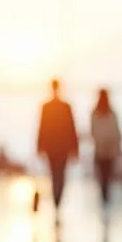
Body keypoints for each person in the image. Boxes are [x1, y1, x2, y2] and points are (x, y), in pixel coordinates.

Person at [37, 78, 79, 219]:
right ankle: (57, 202)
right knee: (59, 175)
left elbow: (42, 128)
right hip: (61, 147)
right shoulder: (64, 106)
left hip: (53, 147)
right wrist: (74, 147)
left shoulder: (48, 107)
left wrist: (40, 146)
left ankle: (57, 202)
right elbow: (71, 128)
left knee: (56, 175)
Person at [90, 89, 122, 208]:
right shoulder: (111, 114)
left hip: (102, 151)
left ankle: (105, 199)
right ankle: (106, 199)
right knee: (106, 176)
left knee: (103, 177)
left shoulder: (95, 114)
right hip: (108, 151)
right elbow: (116, 133)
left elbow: (93, 132)